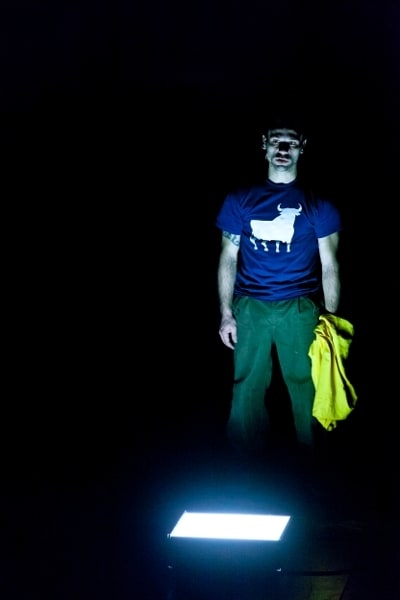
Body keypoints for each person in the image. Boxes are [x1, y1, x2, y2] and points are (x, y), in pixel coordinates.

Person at [215, 114, 342, 469]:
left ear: (302, 147)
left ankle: (315, 462)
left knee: (308, 384)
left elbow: (330, 265)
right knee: (247, 383)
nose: (283, 148)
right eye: (276, 141)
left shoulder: (318, 203)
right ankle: (243, 462)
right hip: (250, 305)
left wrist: (330, 320)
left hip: (299, 306)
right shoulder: (240, 199)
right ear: (265, 145)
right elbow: (228, 257)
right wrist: (226, 313)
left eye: (291, 142)